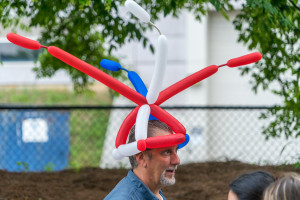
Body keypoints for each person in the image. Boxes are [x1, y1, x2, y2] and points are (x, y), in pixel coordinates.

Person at [104, 120, 180, 200]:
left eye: (176, 151)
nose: (177, 160)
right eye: (166, 152)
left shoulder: (153, 192)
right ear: (142, 158)